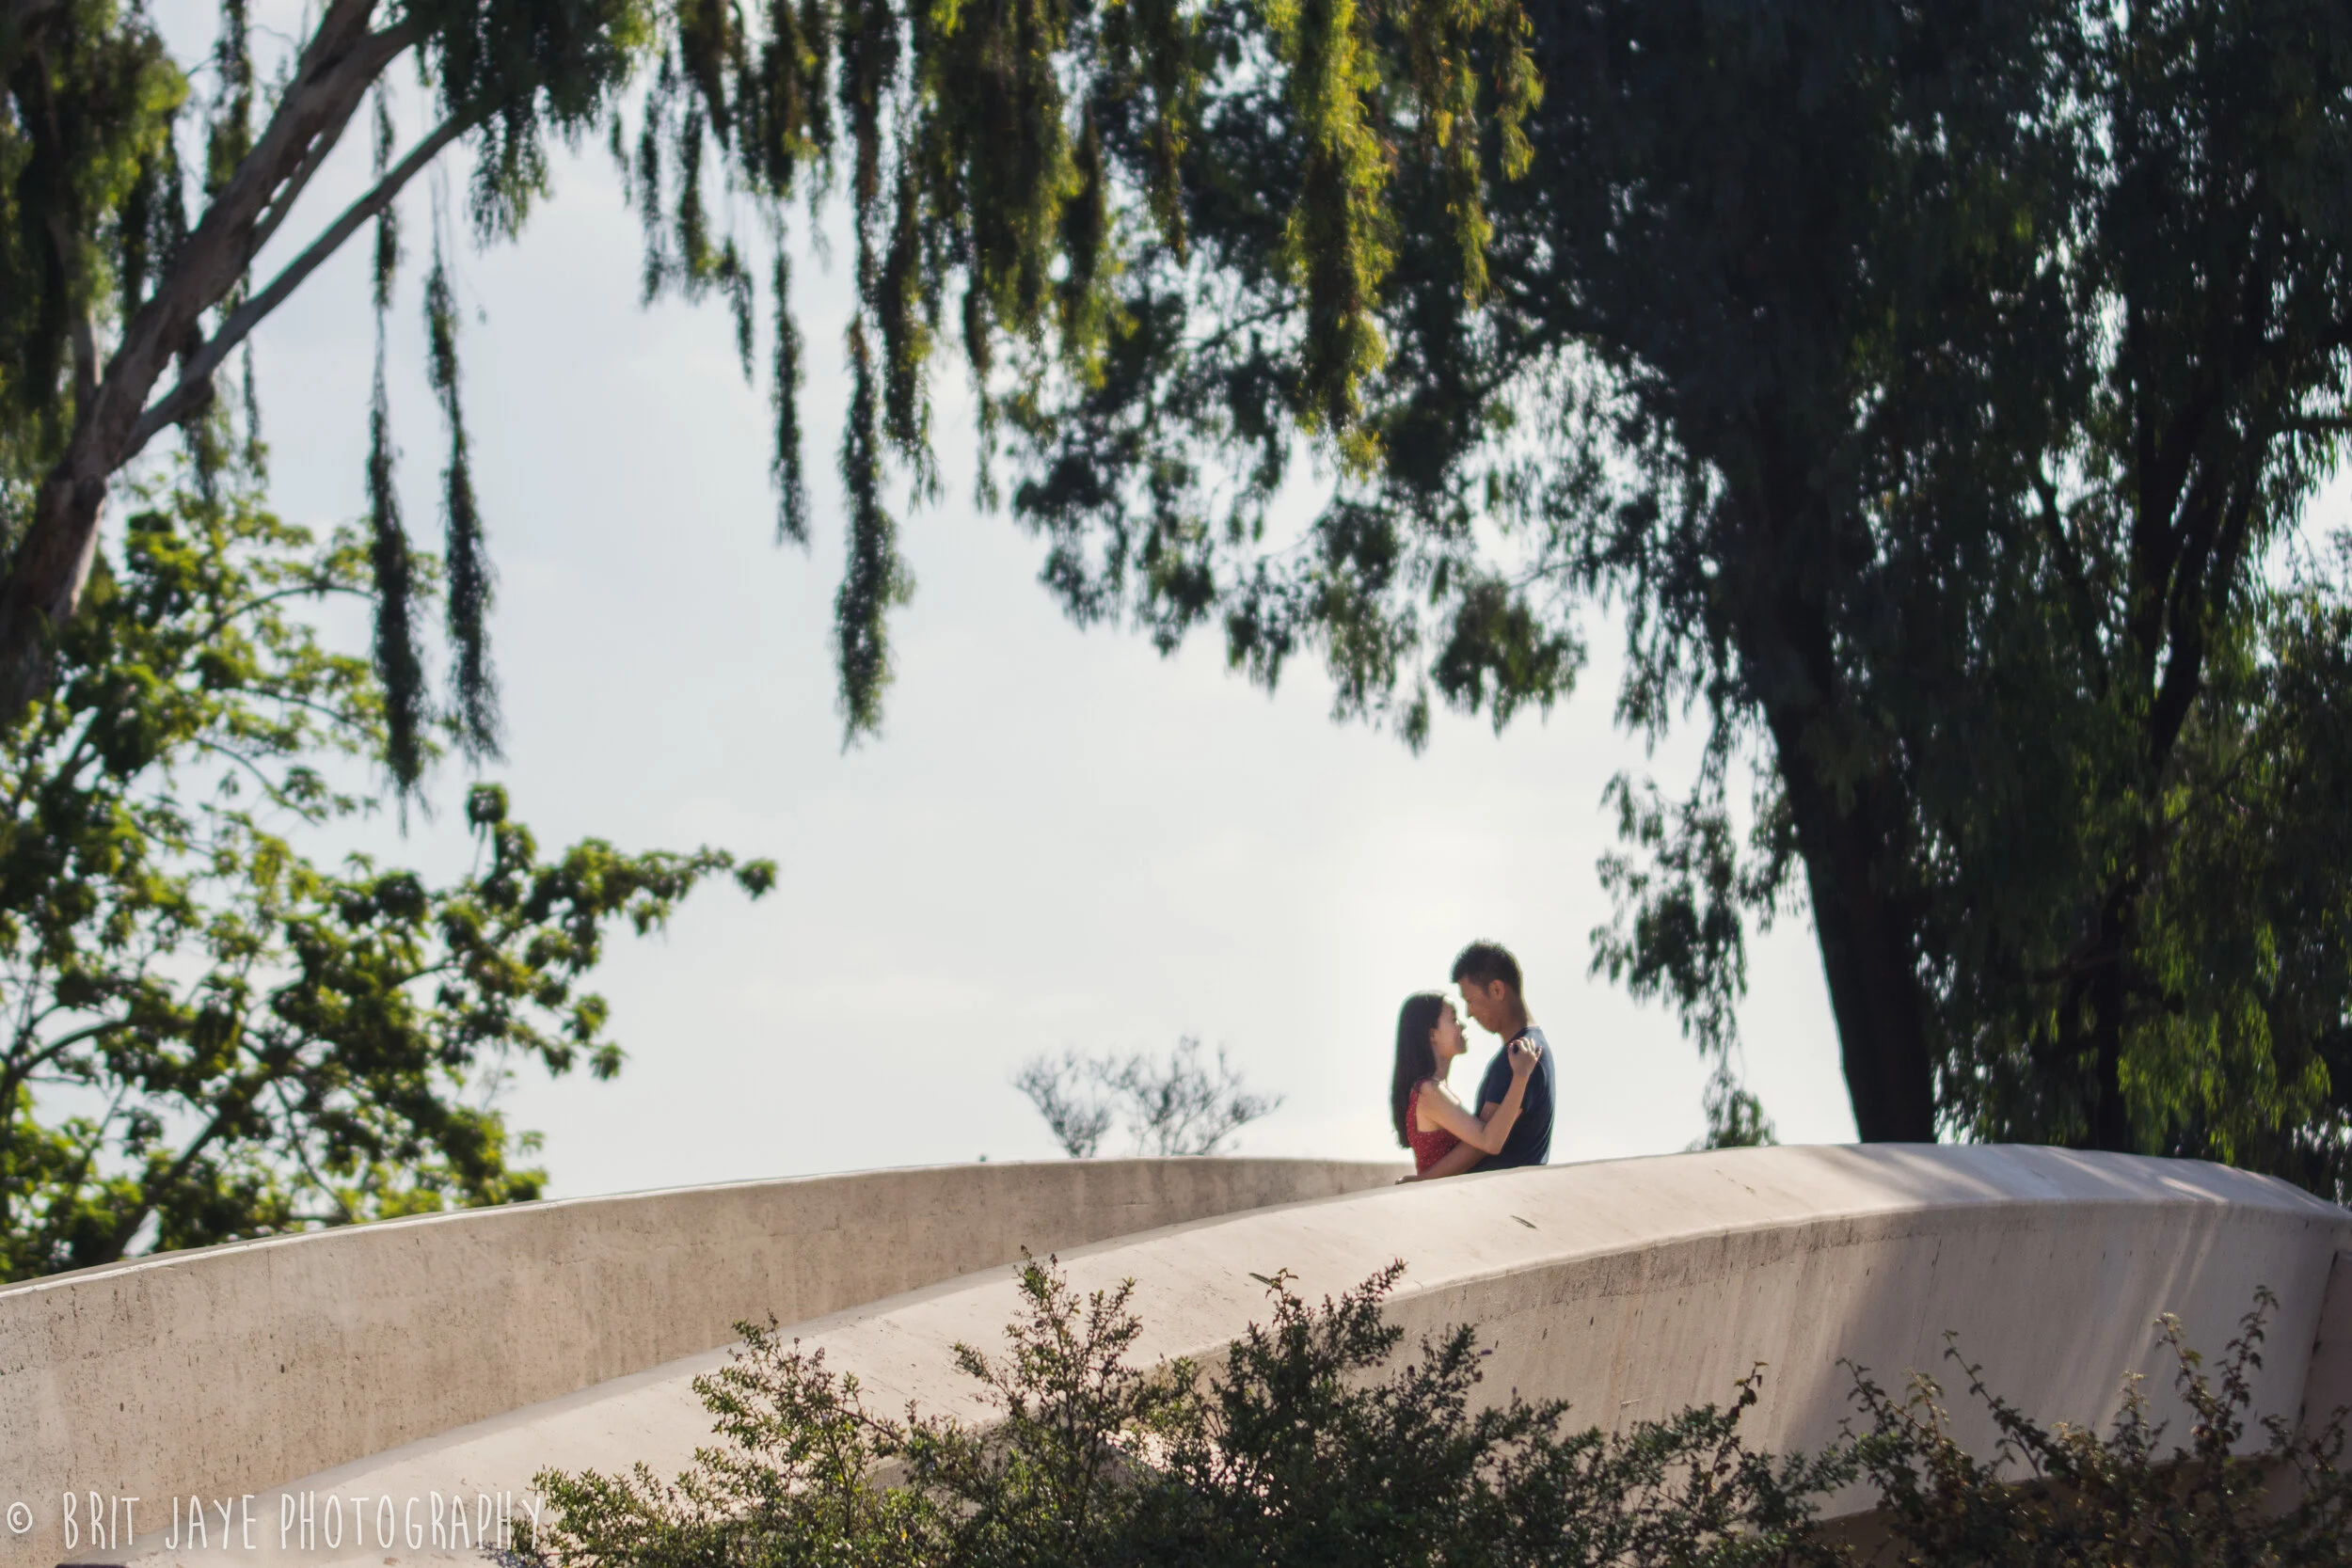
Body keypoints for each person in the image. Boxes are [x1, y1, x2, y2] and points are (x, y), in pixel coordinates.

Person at [1415, 941, 1555, 1180]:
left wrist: (1421, 1181)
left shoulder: (1520, 1056)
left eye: (1470, 1000)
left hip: (1501, 1199)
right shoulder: (1531, 1048)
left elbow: (1480, 1144)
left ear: (1497, 990)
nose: (1469, 1013)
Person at [1390, 991, 1539, 1179]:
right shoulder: (1429, 1091)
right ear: (1432, 1034)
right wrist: (1521, 1076)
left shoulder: (1433, 1089)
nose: (1463, 1024)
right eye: (1453, 1019)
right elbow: (1489, 1141)